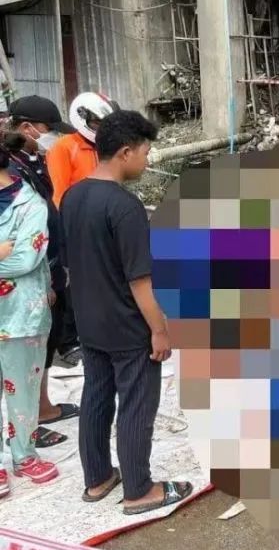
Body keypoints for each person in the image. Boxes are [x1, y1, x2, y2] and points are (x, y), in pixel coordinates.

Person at [61, 110, 193, 514]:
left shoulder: (72, 197)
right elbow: (140, 281)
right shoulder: (125, 206)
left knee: (96, 396)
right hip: (127, 325)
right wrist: (159, 330)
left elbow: (71, 265)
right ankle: (139, 490)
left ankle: (98, 478)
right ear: (124, 152)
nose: (147, 161)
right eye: (145, 152)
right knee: (137, 403)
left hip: (90, 321)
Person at [5, 96, 81, 449]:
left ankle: (43, 408)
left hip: (47, 264)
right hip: (29, 273)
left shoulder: (32, 160)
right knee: (25, 350)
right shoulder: (11, 172)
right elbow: (18, 237)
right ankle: (25, 428)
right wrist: (43, 280)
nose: (52, 137)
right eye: (47, 129)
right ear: (26, 128)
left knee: (45, 341)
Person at [0, 131, 60, 498]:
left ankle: (24, 455)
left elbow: (25, 259)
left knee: (22, 389)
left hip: (22, 314)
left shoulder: (30, 205)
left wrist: (10, 253)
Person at [47, 91, 119, 208]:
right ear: (82, 116)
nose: (104, 128)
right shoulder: (64, 147)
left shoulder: (106, 145)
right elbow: (60, 194)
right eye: (98, 123)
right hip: (79, 211)